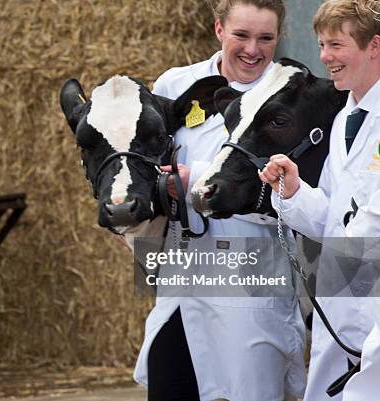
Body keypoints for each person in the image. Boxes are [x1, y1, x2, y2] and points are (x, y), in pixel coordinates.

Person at [133, 1, 306, 400]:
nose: (253, 50)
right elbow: (144, 162)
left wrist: (200, 184)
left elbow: (299, 197)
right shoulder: (175, 86)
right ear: (218, 30)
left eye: (266, 38)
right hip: (182, 279)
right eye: (241, 35)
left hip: (252, 282)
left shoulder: (294, 95)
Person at [258, 1, 380, 399]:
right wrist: (295, 192)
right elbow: (333, 214)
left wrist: (340, 249)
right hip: (341, 309)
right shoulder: (346, 117)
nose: (324, 57)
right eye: (321, 45)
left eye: (335, 45)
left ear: (374, 46)